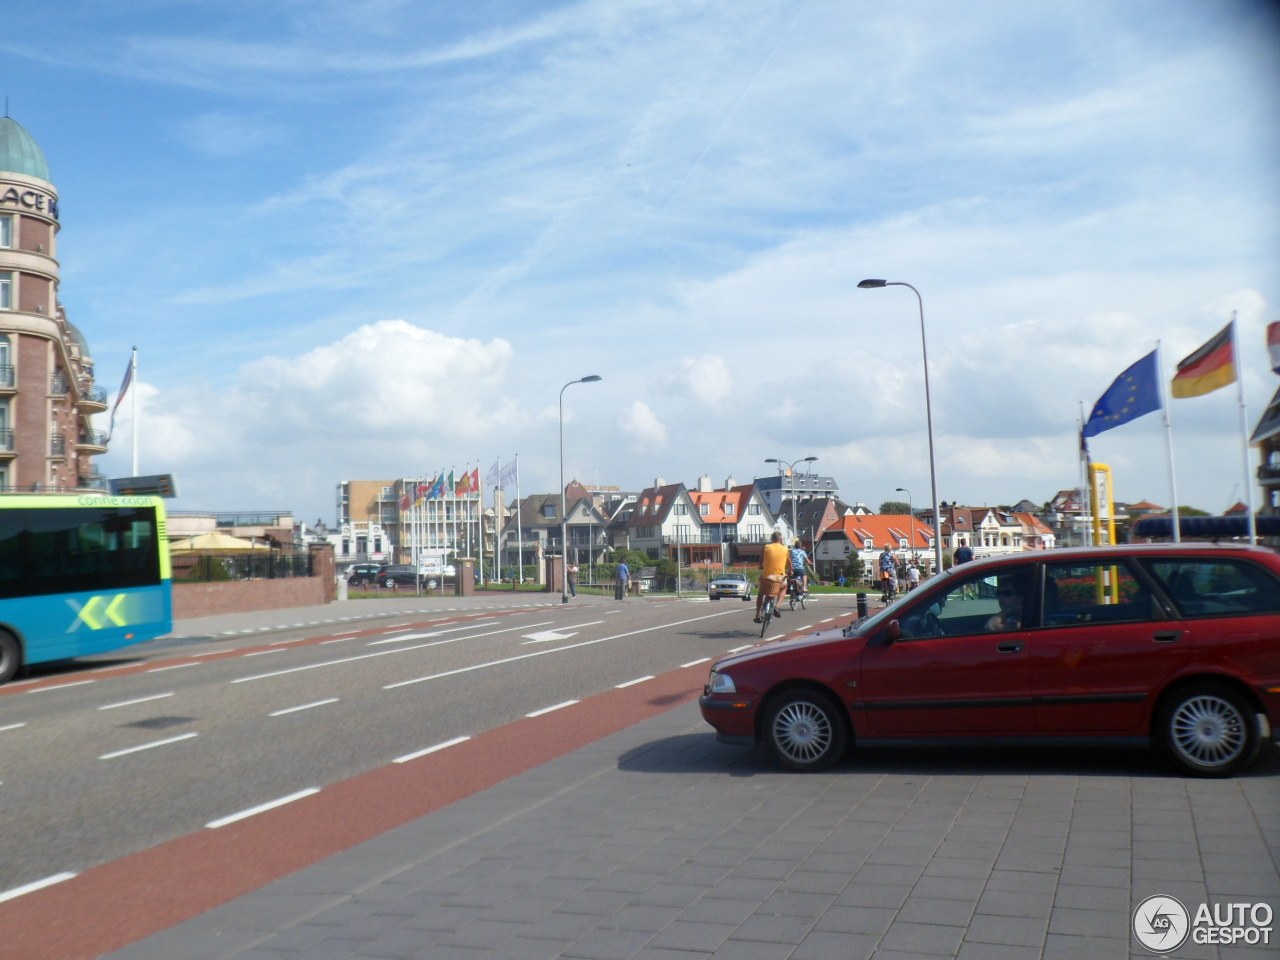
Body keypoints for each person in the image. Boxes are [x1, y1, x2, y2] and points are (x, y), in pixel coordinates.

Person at [754, 531, 789, 623]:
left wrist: (761, 566)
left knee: (761, 593)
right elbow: (790, 563)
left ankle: (758, 614)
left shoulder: (766, 547)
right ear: (781, 540)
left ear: (772, 539)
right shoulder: (785, 549)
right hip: (779, 579)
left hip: (768, 578)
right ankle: (777, 606)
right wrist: (791, 570)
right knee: (784, 587)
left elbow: (761, 561)